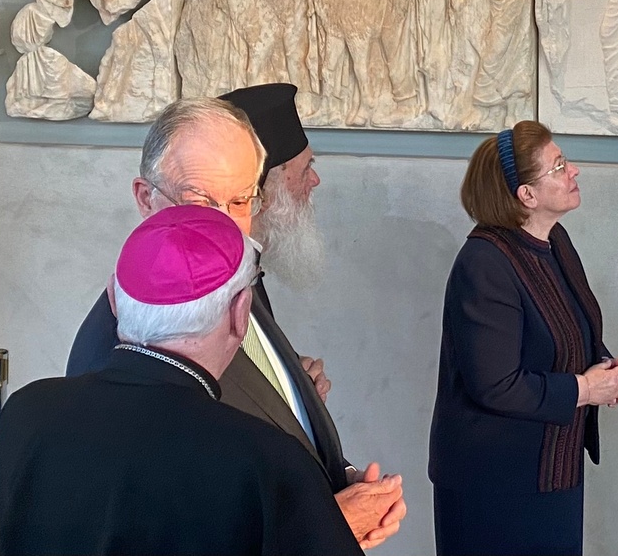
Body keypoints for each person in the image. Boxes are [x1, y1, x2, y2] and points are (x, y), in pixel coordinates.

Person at [66, 91, 406, 549]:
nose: (224, 226)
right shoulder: (113, 349)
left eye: (241, 201)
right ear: (146, 198)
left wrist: (329, 472)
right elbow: (152, 532)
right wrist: (325, 527)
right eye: (200, 201)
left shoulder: (240, 276)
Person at [0, 206, 359, 555]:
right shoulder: (264, 459)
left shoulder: (27, 411)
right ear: (240, 314)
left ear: (115, 299)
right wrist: (327, 525)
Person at [430, 122, 618, 556]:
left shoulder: (555, 240)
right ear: (526, 194)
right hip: (494, 485)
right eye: (558, 166)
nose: (573, 171)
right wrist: (585, 389)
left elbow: (571, 327)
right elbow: (495, 385)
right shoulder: (484, 263)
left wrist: (606, 371)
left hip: (553, 472)